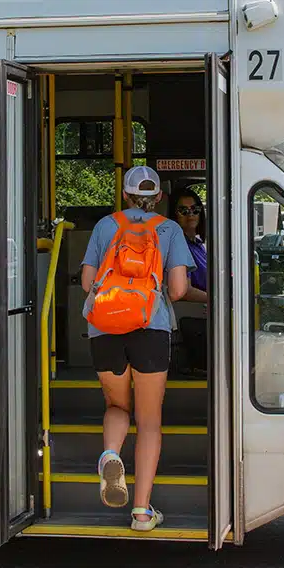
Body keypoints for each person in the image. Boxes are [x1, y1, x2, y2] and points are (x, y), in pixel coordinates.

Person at [80, 166, 191, 532]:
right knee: (149, 421)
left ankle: (111, 454)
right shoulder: (169, 229)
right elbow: (178, 289)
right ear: (158, 197)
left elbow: (87, 282)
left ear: (125, 195)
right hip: (150, 328)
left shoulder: (104, 226)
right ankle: (142, 512)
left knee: (116, 405)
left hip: (105, 327)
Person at [173, 189, 210, 373]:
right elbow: (184, 291)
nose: (191, 215)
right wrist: (217, 300)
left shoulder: (196, 244)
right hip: (196, 316)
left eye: (195, 209)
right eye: (183, 210)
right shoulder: (177, 244)